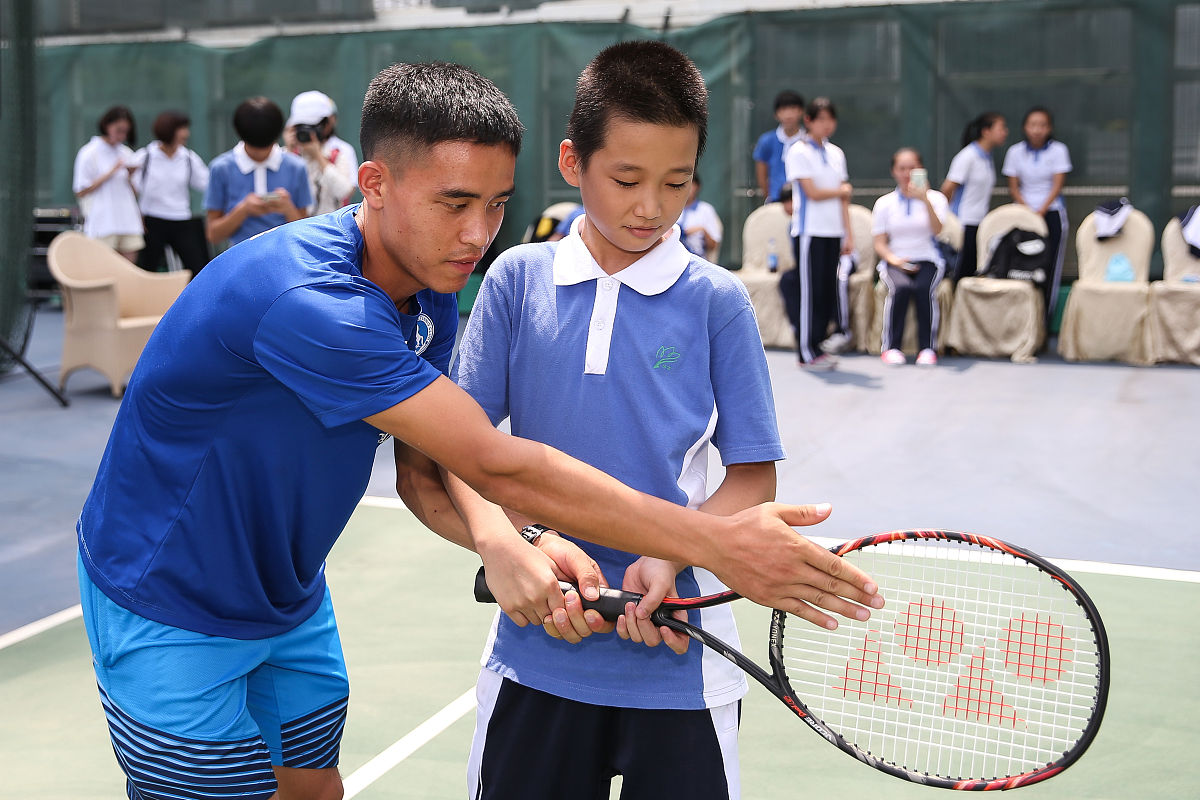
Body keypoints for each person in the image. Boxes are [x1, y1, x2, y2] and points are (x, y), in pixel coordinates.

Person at [76, 61, 883, 800]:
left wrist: (520, 541)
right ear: (375, 183)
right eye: (454, 202)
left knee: (312, 790)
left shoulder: (426, 287)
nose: (477, 232)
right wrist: (718, 545)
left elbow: (426, 466)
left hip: (286, 594)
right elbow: (494, 463)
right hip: (169, 600)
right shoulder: (313, 304)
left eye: (496, 204)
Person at [451, 40, 784, 800]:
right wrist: (523, 544)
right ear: (573, 163)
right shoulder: (515, 280)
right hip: (536, 654)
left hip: (682, 661)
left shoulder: (717, 301)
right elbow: (459, 453)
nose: (651, 207)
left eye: (677, 182)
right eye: (627, 179)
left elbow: (754, 477)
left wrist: (671, 556)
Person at [782, 97, 853, 370]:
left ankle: (818, 347)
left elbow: (843, 200)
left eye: (830, 119)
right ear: (809, 121)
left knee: (825, 290)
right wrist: (841, 191)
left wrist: (848, 234)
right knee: (809, 291)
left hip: (833, 231)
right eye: (821, 119)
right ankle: (805, 352)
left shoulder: (836, 153)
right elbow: (811, 192)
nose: (827, 125)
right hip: (810, 232)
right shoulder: (798, 151)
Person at [873, 147, 949, 367]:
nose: (907, 173)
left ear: (921, 169)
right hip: (895, 260)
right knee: (901, 288)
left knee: (924, 288)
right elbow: (879, 243)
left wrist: (924, 199)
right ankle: (891, 347)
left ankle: (927, 348)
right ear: (894, 171)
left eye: (912, 167)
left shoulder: (936, 199)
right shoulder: (884, 203)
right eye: (902, 168)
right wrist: (894, 260)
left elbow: (937, 230)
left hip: (928, 258)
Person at [204, 96, 312, 247]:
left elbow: (306, 232)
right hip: (239, 257)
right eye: (255, 150)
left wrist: (288, 208)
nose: (261, 156)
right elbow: (213, 234)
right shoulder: (221, 168)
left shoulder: (296, 167)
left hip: (284, 255)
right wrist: (243, 209)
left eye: (266, 149)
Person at [1002, 106, 1072, 320]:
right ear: (1025, 127)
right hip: (1022, 216)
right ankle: (1019, 319)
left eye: (1042, 125)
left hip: (1051, 214)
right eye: (1033, 125)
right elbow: (1013, 187)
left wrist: (1041, 210)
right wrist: (1028, 212)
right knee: (1019, 264)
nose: (1037, 130)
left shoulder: (1059, 150)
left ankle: (1044, 318)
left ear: (1049, 128)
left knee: (1049, 266)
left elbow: (1057, 185)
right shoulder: (1014, 152)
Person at [133, 110, 211, 274]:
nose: (186, 134)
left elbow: (207, 183)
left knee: (196, 268)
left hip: (181, 218)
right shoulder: (145, 156)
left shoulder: (188, 158)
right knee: (148, 269)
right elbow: (132, 188)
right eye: (182, 128)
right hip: (152, 220)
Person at [940, 112, 1007, 285]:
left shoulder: (986, 158)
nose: (1005, 132)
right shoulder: (967, 156)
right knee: (960, 276)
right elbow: (947, 188)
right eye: (1001, 128)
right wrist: (948, 220)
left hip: (979, 225)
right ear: (986, 131)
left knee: (972, 275)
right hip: (963, 225)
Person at [72, 105, 144, 263]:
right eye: (118, 130)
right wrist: (111, 172)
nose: (121, 136)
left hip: (128, 221)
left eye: (125, 131)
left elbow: (135, 192)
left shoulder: (126, 153)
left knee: (128, 270)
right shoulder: (89, 152)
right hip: (102, 222)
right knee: (104, 269)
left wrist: (130, 176)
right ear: (107, 125)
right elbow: (81, 190)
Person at [284, 90, 359, 215]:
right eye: (301, 126)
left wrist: (318, 157)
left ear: (327, 123)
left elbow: (345, 191)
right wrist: (290, 152)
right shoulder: (289, 153)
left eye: (311, 126)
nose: (306, 132)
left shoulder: (341, 151)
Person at [752, 89, 805, 203]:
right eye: (784, 109)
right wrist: (769, 196)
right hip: (776, 200)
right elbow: (761, 172)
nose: (788, 114)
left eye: (793, 109)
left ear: (801, 112)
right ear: (776, 114)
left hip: (804, 199)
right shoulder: (766, 141)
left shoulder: (809, 140)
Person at [678, 172, 723, 260]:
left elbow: (714, 246)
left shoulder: (706, 210)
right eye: (682, 185)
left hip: (697, 258)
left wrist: (703, 230)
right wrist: (684, 232)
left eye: (690, 185)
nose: (687, 189)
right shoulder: (670, 208)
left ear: (697, 187)